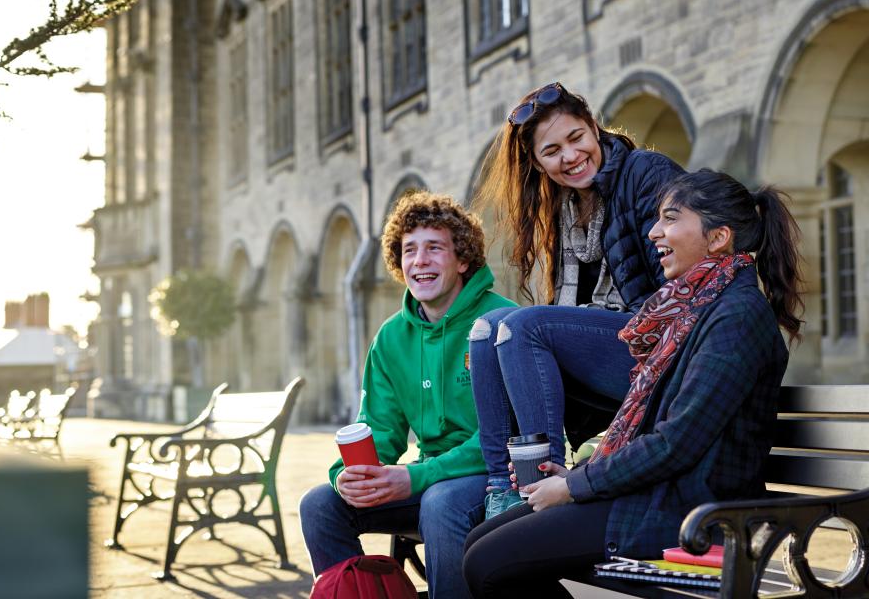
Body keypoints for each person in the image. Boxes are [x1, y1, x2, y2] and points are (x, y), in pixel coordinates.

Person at [461, 169, 804, 597]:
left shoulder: (736, 317)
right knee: (477, 545)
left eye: (671, 219)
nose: (654, 231)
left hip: (689, 509)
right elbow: (655, 431)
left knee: (488, 564)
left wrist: (572, 487)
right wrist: (579, 473)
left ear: (718, 239)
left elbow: (675, 443)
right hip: (656, 493)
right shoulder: (693, 308)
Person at [468, 82, 685, 515]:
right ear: (536, 162)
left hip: (663, 354)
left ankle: (544, 488)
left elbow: (683, 285)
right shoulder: (564, 207)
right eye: (551, 151)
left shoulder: (647, 174)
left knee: (521, 327)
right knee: (485, 330)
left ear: (594, 127)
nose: (569, 156)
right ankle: (503, 490)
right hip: (614, 354)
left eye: (576, 138)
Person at [299, 191, 516, 599]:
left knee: (440, 502)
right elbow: (378, 428)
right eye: (409, 250)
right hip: (429, 479)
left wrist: (415, 476)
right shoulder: (390, 338)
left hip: (496, 481)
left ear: (463, 260)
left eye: (435, 248)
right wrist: (351, 476)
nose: (420, 261)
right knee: (320, 504)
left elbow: (503, 439)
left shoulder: (502, 321)